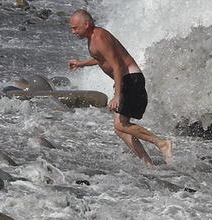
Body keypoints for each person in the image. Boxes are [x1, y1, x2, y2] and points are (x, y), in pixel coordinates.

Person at [66, 9, 172, 165]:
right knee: (120, 129)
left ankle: (162, 143)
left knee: (120, 124)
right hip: (126, 79)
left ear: (86, 24)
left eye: (75, 28)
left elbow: (116, 65)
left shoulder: (99, 37)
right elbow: (100, 58)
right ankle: (149, 164)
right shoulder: (93, 38)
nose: (72, 31)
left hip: (131, 79)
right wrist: (81, 63)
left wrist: (117, 94)